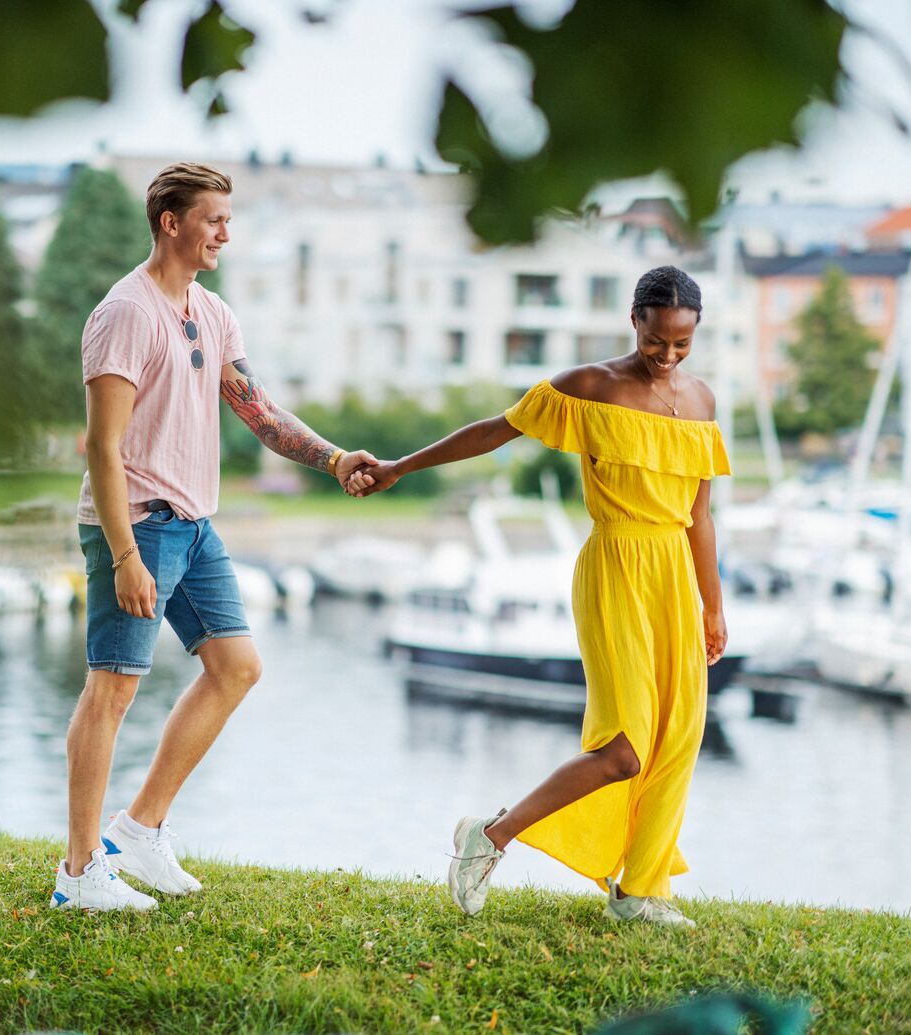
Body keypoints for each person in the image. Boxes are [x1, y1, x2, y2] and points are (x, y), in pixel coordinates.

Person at [355, 265, 730, 927]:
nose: (668, 356)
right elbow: (496, 430)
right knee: (625, 745)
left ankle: (641, 890)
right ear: (635, 320)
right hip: (616, 563)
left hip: (674, 568)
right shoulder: (590, 387)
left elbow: (700, 512)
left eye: (681, 344)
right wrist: (398, 467)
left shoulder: (701, 401)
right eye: (656, 341)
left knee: (680, 735)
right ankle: (489, 837)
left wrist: (714, 603)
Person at [53, 162, 376, 913]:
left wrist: (333, 458)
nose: (227, 232)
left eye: (229, 219)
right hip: (134, 522)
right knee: (111, 690)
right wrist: (126, 555)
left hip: (194, 524)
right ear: (172, 222)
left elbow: (258, 411)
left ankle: (139, 829)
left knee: (236, 667)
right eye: (215, 219)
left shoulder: (212, 311)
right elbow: (102, 447)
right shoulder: (125, 313)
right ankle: (78, 873)